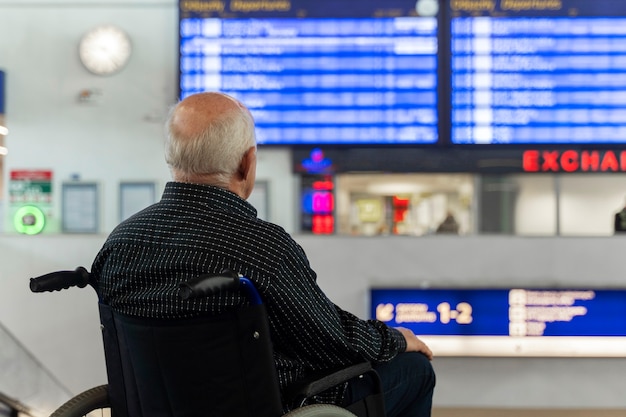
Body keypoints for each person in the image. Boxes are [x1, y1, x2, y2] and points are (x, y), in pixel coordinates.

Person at [91, 92, 435, 416]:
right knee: (415, 371)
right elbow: (332, 342)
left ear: (172, 156)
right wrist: (395, 339)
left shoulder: (121, 243)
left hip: (157, 406)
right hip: (272, 405)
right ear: (247, 163)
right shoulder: (259, 247)